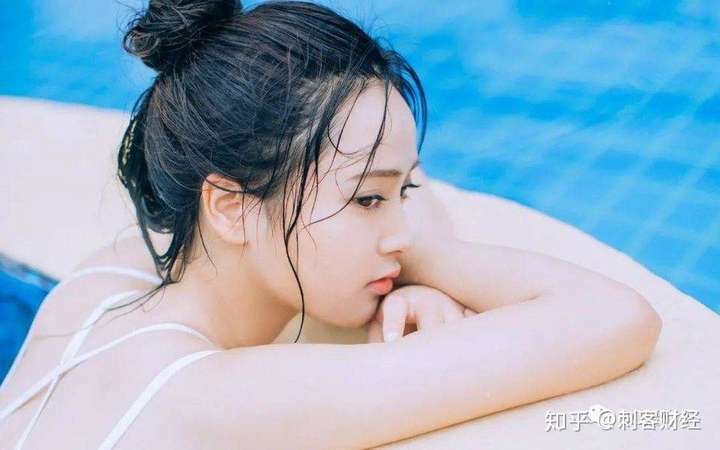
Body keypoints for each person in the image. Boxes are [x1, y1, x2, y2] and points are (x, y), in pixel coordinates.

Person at [0, 1, 662, 448]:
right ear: (229, 206)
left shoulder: (104, 282)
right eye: (369, 201)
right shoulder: (221, 401)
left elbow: (401, 195)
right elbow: (614, 318)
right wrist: (430, 260)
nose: (401, 229)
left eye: (401, 191)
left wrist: (397, 264)